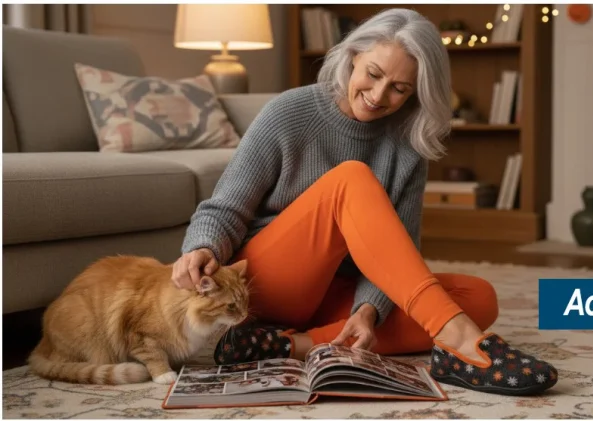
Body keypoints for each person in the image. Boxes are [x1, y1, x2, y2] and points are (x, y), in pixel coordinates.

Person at [172, 8, 557, 396]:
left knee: (477, 298)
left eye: (399, 88)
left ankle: (291, 345)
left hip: (333, 294)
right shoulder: (288, 112)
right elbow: (224, 208)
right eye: (374, 74)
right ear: (353, 55)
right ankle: (457, 339)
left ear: (416, 92)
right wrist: (201, 248)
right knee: (352, 178)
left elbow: (397, 250)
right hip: (266, 282)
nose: (378, 96)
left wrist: (367, 311)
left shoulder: (409, 145)